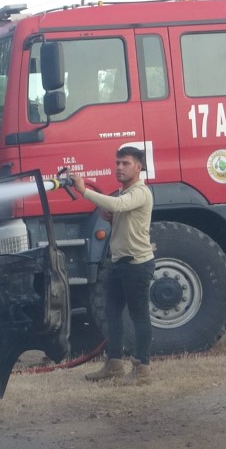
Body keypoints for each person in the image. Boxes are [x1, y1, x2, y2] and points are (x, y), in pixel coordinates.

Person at [66, 146, 155, 385]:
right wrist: (115, 220)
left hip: (137, 264)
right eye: (117, 163)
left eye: (125, 163)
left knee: (139, 317)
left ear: (139, 166)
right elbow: (121, 213)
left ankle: (143, 369)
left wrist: (83, 191)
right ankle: (114, 364)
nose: (119, 167)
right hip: (118, 264)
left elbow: (117, 205)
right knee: (112, 315)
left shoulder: (140, 192)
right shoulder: (122, 192)